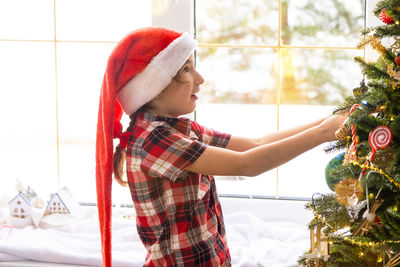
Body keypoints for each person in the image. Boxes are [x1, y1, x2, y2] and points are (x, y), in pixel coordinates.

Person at [96, 27, 347, 267]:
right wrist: (323, 133)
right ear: (155, 88)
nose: (200, 78)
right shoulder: (155, 141)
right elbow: (247, 164)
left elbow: (254, 144)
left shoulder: (179, 129)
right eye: (186, 69)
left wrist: (327, 121)